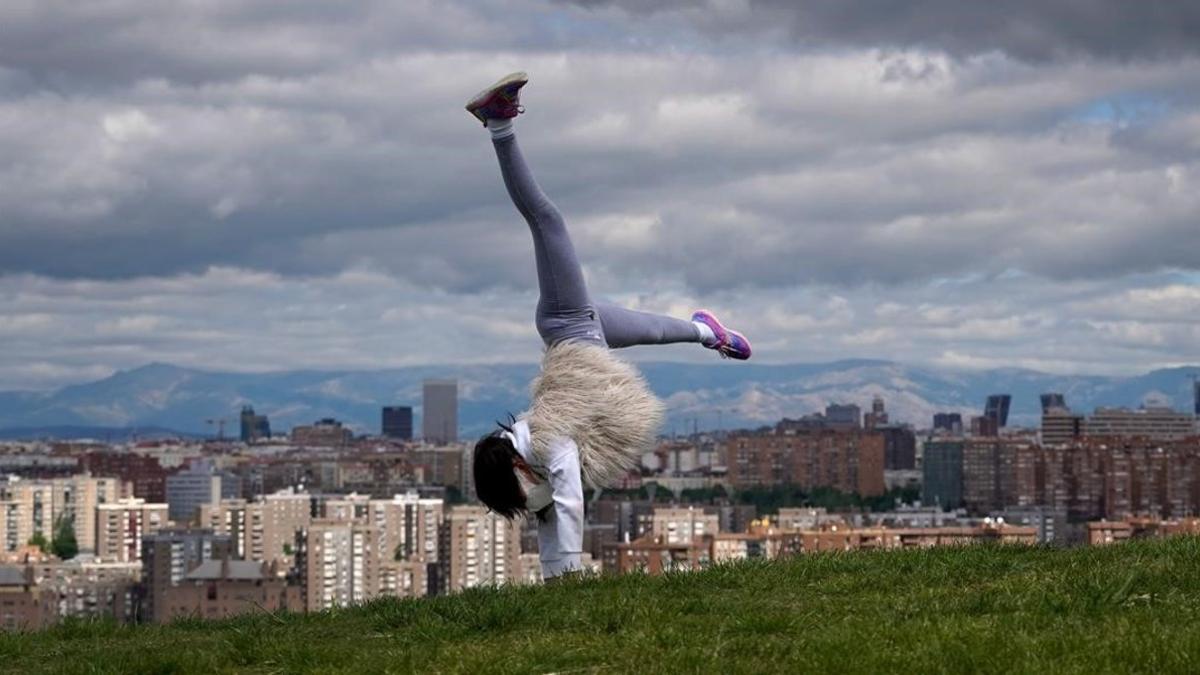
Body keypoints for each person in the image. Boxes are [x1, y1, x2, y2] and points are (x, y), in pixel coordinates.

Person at [466, 72, 752, 580]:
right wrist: (555, 574)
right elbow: (552, 514)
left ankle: (498, 123)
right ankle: (709, 332)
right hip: (584, 339)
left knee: (547, 220)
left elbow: (570, 504)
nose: (532, 500)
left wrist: (571, 572)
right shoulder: (536, 464)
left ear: (515, 471)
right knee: (653, 331)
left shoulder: (549, 444)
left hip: (568, 324)